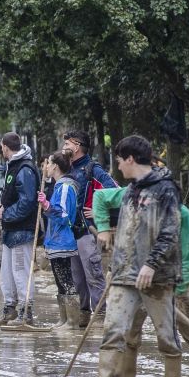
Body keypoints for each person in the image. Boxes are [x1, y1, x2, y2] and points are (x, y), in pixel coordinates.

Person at [92, 169, 189, 377]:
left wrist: (177, 292)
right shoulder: (136, 198)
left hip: (171, 286)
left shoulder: (182, 215)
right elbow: (101, 198)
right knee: (130, 334)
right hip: (136, 283)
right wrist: (103, 228)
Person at [75, 135, 183, 377]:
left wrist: (152, 264)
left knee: (166, 336)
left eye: (120, 161)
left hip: (157, 276)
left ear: (131, 159)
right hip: (124, 275)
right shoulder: (130, 190)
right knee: (113, 330)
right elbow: (124, 232)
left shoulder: (165, 189)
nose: (118, 167)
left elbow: (171, 231)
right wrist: (113, 268)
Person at [61, 129, 118, 328]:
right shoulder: (68, 169)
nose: (64, 147)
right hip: (71, 233)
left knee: (94, 275)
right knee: (77, 278)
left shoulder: (93, 169)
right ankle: (83, 316)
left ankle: (101, 316)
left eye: (67, 143)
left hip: (88, 232)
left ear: (77, 146)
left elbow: (116, 193)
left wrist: (99, 213)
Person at [0, 132, 40, 327]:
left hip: (22, 230)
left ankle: (26, 313)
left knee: (21, 272)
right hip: (10, 229)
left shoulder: (25, 169)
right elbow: (13, 197)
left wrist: (5, 213)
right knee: (7, 274)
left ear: (5, 146)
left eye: (1, 147)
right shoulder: (13, 166)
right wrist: (2, 210)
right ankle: (9, 310)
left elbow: (27, 201)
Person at [38, 151, 81, 330]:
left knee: (66, 282)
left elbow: (63, 215)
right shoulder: (58, 187)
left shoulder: (64, 187)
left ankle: (71, 322)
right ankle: (64, 320)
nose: (46, 167)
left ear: (55, 166)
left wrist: (47, 205)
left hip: (62, 242)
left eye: (48, 163)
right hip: (55, 242)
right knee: (59, 282)